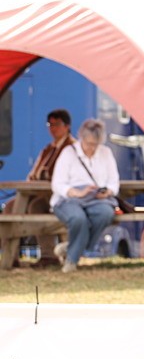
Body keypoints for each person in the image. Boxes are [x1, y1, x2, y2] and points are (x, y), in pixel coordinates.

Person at [1, 108, 74, 268]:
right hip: (38, 192)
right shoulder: (48, 149)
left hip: (60, 197)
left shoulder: (72, 148)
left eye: (57, 124)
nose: (52, 128)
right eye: (50, 124)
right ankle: (10, 255)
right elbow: (33, 174)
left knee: (36, 206)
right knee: (11, 207)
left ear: (67, 126)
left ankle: (48, 255)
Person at [50, 118, 119, 273]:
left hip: (96, 199)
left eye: (95, 144)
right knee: (78, 219)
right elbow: (58, 184)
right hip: (69, 199)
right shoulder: (68, 153)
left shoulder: (106, 153)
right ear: (81, 137)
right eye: (88, 144)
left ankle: (71, 248)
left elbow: (114, 182)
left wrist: (107, 191)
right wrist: (77, 192)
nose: (92, 148)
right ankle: (71, 262)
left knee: (106, 213)